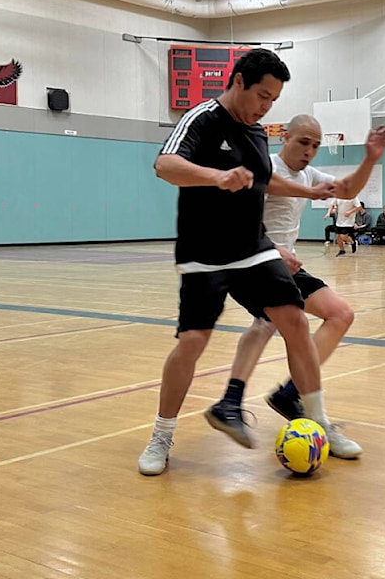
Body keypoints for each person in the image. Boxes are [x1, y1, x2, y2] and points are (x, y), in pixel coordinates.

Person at [137, 49, 337, 476]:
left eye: (273, 100)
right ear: (239, 82)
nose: (265, 106)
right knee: (192, 342)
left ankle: (319, 422)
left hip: (253, 248)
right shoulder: (203, 119)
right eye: (262, 96)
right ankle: (161, 435)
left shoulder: (258, 133)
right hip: (204, 251)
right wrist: (216, 176)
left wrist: (310, 193)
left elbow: (268, 180)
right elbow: (164, 165)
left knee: (295, 321)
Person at [204, 116, 385, 457]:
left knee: (340, 314)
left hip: (286, 265)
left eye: (316, 146)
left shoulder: (309, 174)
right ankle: (301, 412)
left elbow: (347, 190)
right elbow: (247, 208)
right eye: (303, 142)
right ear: (285, 137)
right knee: (274, 321)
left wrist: (369, 159)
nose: (309, 151)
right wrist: (274, 248)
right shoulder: (264, 165)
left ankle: (287, 394)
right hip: (253, 259)